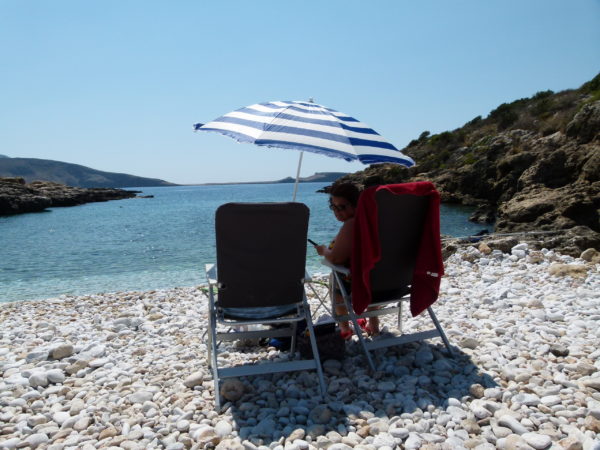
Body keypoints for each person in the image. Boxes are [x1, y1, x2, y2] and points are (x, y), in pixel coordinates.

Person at [313, 182, 379, 339]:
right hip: (383, 282)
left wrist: (324, 251)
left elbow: (336, 257)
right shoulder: (373, 220)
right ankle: (374, 323)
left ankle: (344, 328)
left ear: (357, 204)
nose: (337, 212)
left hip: (358, 284)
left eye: (342, 207)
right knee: (372, 272)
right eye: (334, 207)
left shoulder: (351, 224)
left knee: (336, 276)